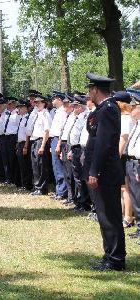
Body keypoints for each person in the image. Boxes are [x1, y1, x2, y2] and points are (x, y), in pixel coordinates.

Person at [83, 72, 125, 271]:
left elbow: (103, 144)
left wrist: (95, 171)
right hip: (101, 171)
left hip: (105, 172)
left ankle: (116, 259)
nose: (88, 93)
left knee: (110, 215)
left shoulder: (108, 109)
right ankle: (109, 254)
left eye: (90, 89)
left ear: (95, 90)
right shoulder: (103, 109)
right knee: (103, 215)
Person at [114, 91, 135, 228]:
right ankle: (122, 214)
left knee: (125, 188)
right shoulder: (124, 117)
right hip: (123, 155)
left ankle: (128, 217)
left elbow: (124, 138)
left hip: (124, 155)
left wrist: (117, 155)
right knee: (122, 188)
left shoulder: (127, 118)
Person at [67, 95, 91, 211]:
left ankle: (85, 202)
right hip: (75, 148)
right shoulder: (78, 117)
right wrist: (71, 149)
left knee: (82, 177)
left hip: (82, 149)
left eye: (75, 106)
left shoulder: (85, 116)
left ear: (81, 107)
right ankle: (80, 201)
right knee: (77, 177)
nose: (73, 108)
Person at [124, 95, 140, 244]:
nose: (131, 109)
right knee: (135, 196)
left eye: (134, 107)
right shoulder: (135, 124)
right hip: (131, 162)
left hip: (138, 164)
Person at [30, 95, 52, 196]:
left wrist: (43, 146)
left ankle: (42, 188)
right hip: (34, 140)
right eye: (36, 103)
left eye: (39, 103)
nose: (37, 104)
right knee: (35, 165)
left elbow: (47, 131)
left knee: (42, 165)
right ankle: (37, 186)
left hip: (41, 141)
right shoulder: (37, 114)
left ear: (44, 103)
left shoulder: (45, 114)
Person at [49, 91, 69, 201]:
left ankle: (62, 192)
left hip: (58, 139)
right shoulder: (57, 111)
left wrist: (58, 144)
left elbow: (62, 130)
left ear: (60, 100)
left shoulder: (63, 112)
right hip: (54, 139)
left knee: (59, 167)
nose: (52, 101)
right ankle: (59, 190)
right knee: (55, 167)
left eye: (54, 99)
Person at [59, 93, 77, 205]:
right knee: (66, 172)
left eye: (66, 105)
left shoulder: (75, 117)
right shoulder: (69, 117)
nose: (65, 107)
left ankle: (74, 198)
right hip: (65, 144)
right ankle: (70, 197)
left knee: (72, 173)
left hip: (70, 145)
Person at [0, 97, 21, 185]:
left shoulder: (17, 114)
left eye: (10, 103)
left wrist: (17, 141)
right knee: (5, 158)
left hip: (12, 137)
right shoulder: (5, 114)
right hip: (4, 137)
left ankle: (13, 178)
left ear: (14, 104)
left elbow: (19, 128)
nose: (8, 105)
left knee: (12, 159)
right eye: (7, 103)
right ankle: (7, 177)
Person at [16, 100, 33, 191]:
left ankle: (27, 185)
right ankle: (23, 183)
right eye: (19, 107)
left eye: (22, 107)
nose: (20, 109)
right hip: (20, 143)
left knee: (25, 165)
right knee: (21, 165)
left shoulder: (27, 118)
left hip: (25, 143)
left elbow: (27, 134)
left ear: (26, 109)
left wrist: (26, 146)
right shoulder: (22, 118)